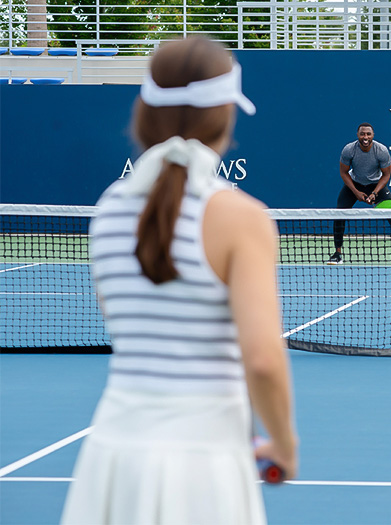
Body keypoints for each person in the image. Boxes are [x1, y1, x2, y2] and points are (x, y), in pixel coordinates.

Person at [61, 37, 298, 525]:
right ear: (225, 115)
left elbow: (123, 325)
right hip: (205, 467)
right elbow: (262, 359)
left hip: (111, 459)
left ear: (144, 113)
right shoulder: (242, 219)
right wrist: (284, 444)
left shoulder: (108, 210)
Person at [328, 123, 391, 266]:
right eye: (362, 134)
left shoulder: (381, 151)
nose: (365, 137)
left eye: (368, 134)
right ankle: (337, 254)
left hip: (376, 185)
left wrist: (375, 192)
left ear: (373, 135)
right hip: (355, 184)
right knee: (339, 215)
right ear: (357, 135)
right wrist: (356, 192)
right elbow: (344, 173)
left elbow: (386, 175)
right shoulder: (349, 150)